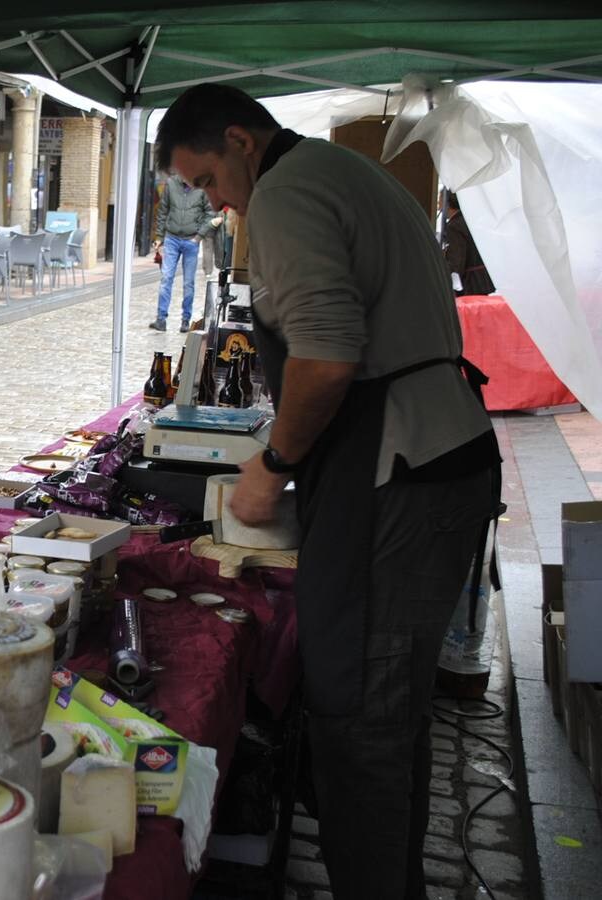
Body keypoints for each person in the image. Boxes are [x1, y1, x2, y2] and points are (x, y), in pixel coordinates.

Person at [156, 83, 500, 900]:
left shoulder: (286, 192)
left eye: (207, 180)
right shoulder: (340, 172)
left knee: (364, 722)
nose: (214, 201)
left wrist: (272, 465)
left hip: (401, 474)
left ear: (241, 141)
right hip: (429, 460)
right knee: (391, 719)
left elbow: (328, 356)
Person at [151, 170, 214, 333]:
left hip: (191, 241)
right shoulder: (171, 184)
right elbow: (162, 211)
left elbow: (210, 213)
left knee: (188, 283)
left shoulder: (202, 188)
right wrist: (159, 236)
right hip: (171, 238)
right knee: (166, 278)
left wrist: (199, 236)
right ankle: (161, 319)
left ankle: (185, 320)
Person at [443, 192, 495, 296]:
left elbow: (456, 261)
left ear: (448, 204)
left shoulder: (454, 226)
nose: (439, 206)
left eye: (440, 202)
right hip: (484, 281)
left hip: (469, 285)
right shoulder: (471, 221)